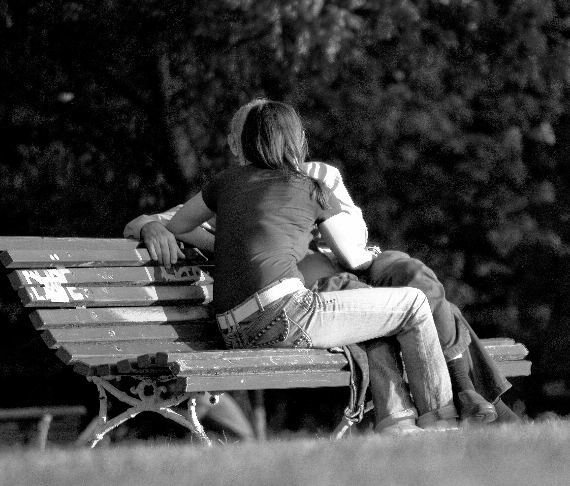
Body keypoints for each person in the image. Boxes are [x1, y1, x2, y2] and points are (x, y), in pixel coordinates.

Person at [126, 138, 521, 426]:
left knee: (413, 274)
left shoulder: (317, 176)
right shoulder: (234, 191)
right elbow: (159, 219)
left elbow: (355, 241)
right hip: (310, 296)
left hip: (350, 269)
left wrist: (322, 228)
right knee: (427, 309)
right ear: (240, 146)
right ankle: (471, 402)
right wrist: (149, 226)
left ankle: (467, 396)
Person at [160, 99, 459, 433]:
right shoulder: (310, 187)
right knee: (414, 303)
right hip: (286, 316)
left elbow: (178, 226)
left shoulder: (226, 183)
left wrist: (232, 243)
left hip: (231, 328)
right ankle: (441, 423)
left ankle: (398, 422)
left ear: (246, 142)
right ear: (296, 141)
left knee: (371, 315)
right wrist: (373, 256)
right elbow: (351, 258)